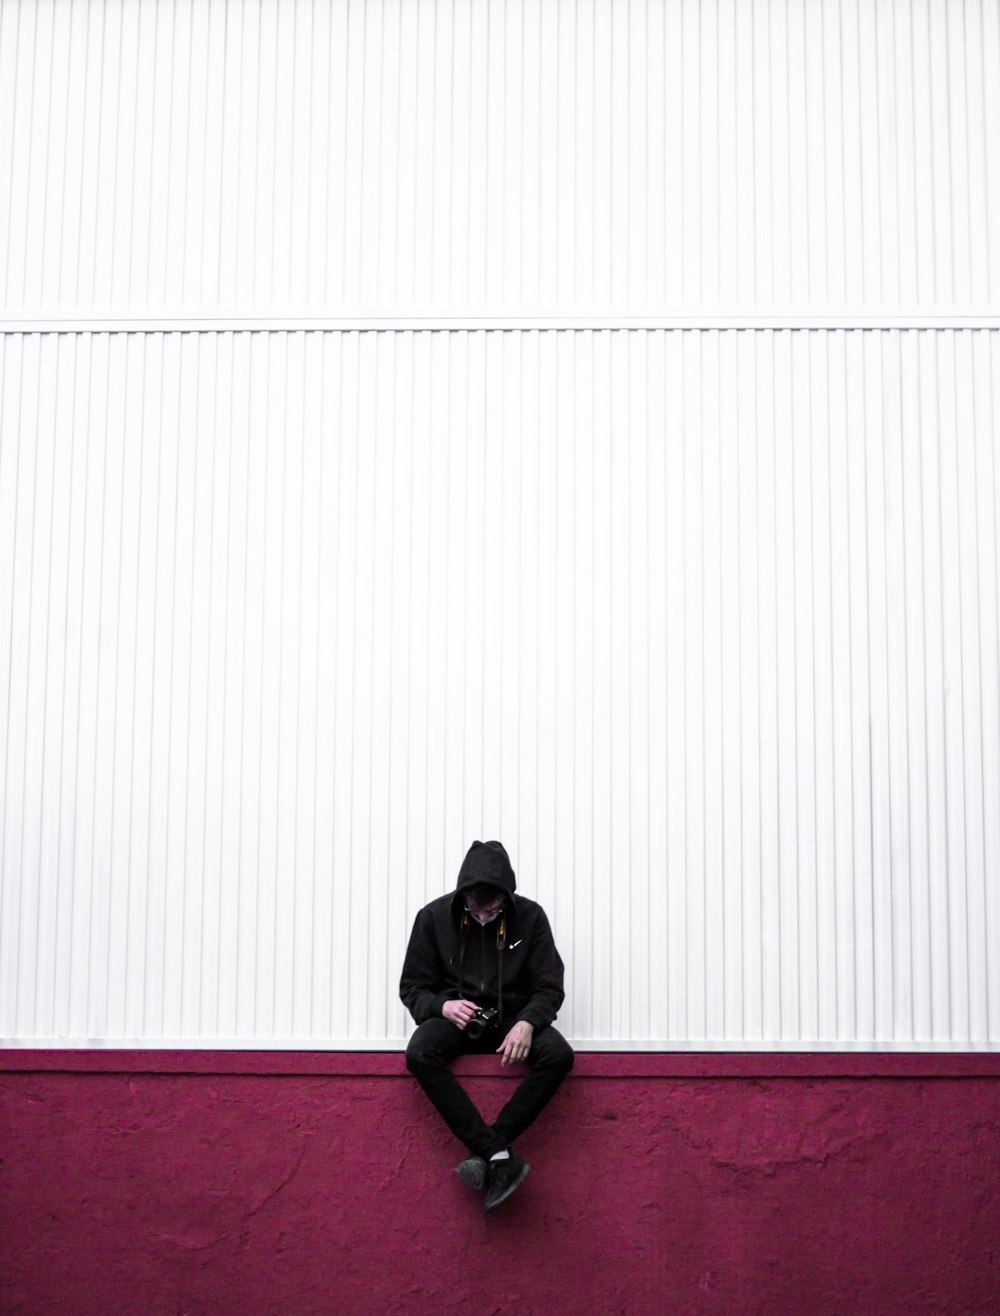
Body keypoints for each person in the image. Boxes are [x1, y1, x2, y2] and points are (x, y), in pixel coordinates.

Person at [400, 840, 574, 1212]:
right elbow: (412, 989)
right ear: (462, 898)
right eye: (475, 912)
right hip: (457, 1018)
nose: (483, 919)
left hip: (512, 1017)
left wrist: (528, 1021)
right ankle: (498, 1153)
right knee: (419, 1052)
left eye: (492, 912)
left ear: (506, 900)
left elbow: (549, 986)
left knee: (558, 1055)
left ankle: (490, 1152)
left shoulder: (531, 917)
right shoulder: (432, 918)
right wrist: (442, 1006)